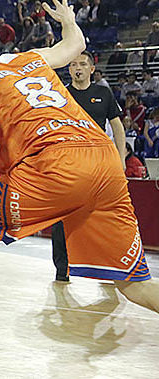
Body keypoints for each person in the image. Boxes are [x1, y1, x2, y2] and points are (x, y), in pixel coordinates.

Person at [0, 2, 158, 374]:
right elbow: (74, 45)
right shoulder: (29, 58)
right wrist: (70, 20)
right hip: (104, 161)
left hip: (56, 164)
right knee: (132, 283)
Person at [58, 51, 127, 283]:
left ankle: (110, 269)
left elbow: (118, 127)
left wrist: (121, 159)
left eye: (82, 64)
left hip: (99, 165)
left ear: (91, 69)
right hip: (68, 165)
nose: (77, 68)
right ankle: (62, 270)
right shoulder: (61, 95)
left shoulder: (103, 93)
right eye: (73, 64)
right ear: (69, 70)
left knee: (104, 218)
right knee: (62, 218)